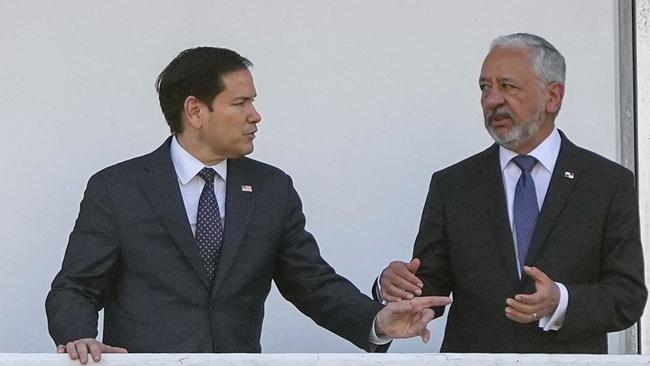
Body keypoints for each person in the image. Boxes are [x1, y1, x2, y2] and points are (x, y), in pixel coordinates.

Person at [46, 47, 451, 364]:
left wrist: (376, 322)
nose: (255, 116)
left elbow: (312, 283)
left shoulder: (272, 189)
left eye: (253, 102)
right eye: (240, 103)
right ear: (195, 111)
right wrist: (79, 337)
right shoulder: (119, 188)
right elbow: (76, 286)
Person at [375, 33, 647, 353]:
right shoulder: (453, 185)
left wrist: (560, 301)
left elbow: (626, 295)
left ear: (553, 97)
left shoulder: (606, 183)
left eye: (507, 86)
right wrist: (392, 287)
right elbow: (429, 285)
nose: (492, 101)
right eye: (485, 88)